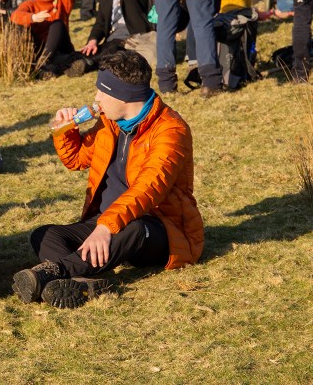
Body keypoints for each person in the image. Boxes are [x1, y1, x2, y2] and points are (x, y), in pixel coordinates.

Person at [14, 50, 203, 309]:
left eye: (103, 93)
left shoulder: (171, 131)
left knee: (134, 228)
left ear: (124, 96)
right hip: (106, 221)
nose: (96, 99)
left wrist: (106, 227)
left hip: (158, 227)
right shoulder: (110, 122)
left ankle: (49, 274)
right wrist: (65, 130)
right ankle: (80, 283)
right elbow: (76, 160)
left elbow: (147, 189)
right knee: (44, 235)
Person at [66, 0, 156, 76]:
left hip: (133, 40)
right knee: (86, 52)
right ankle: (56, 68)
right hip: (111, 42)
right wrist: (92, 41)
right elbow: (100, 24)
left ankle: (88, 64)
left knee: (113, 49)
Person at [11, 0, 81, 71]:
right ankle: (37, 63)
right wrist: (33, 18)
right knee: (20, 25)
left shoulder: (62, 1)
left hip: (60, 47)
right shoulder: (30, 4)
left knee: (58, 23)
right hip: (38, 48)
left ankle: (45, 62)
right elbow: (14, 16)